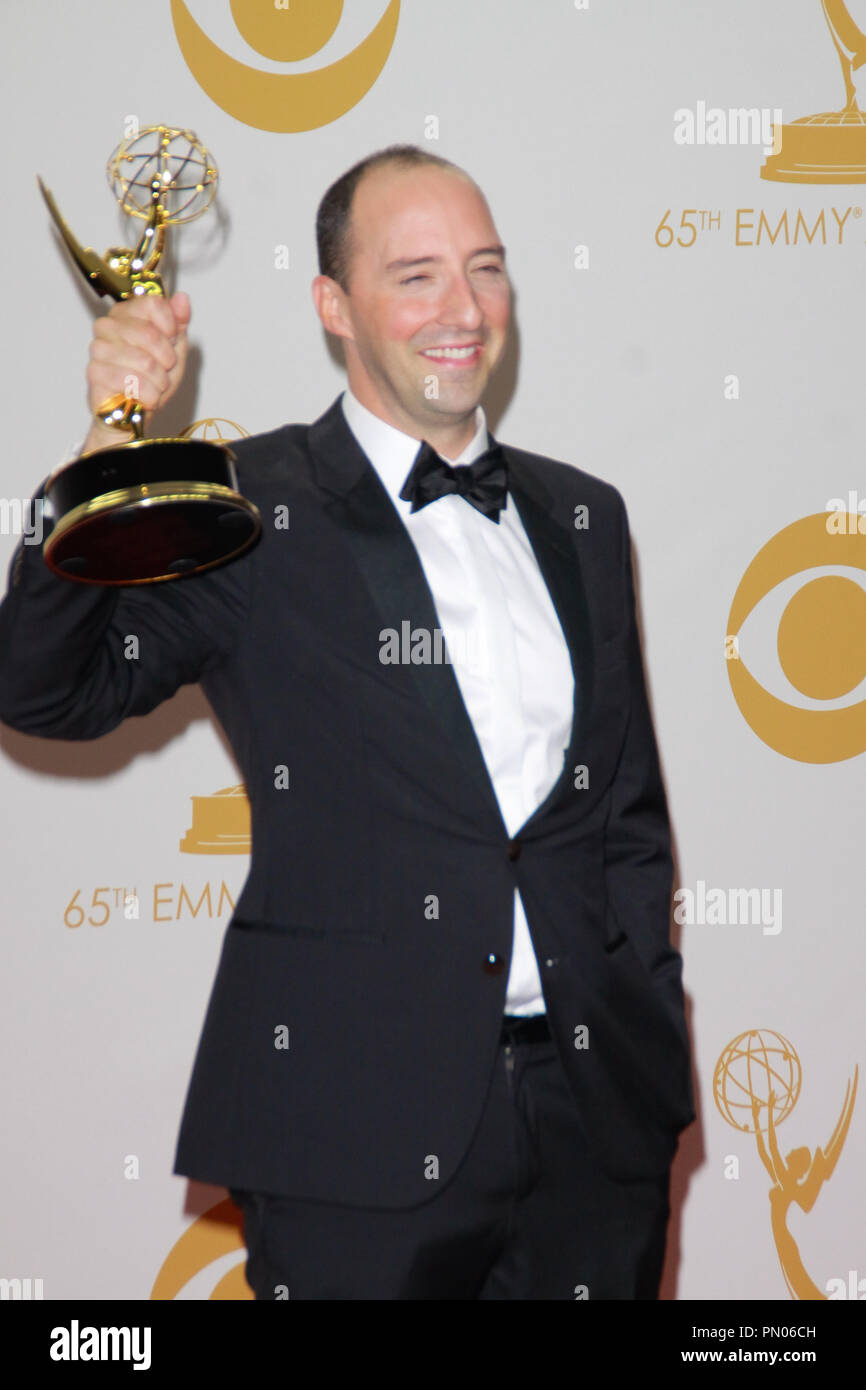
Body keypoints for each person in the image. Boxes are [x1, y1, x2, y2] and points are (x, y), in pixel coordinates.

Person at [0, 144, 693, 1300]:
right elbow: (43, 686)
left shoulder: (583, 512)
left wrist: (642, 1033)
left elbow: (625, 816)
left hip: (592, 1127)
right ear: (333, 305)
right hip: (348, 1133)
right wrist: (108, 449)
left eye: (483, 268)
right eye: (414, 275)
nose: (461, 309)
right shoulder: (245, 502)